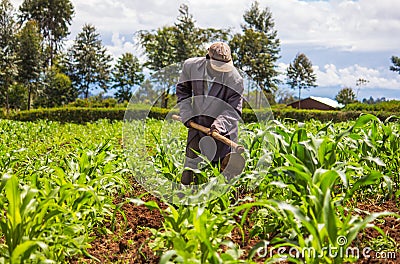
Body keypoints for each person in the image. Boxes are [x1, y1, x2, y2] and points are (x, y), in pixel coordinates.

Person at [176, 42, 244, 185]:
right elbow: (183, 90)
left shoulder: (235, 79)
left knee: (224, 177)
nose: (222, 71)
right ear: (208, 59)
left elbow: (233, 109)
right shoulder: (191, 66)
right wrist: (187, 114)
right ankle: (184, 200)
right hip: (197, 125)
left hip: (224, 131)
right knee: (190, 170)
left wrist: (218, 125)